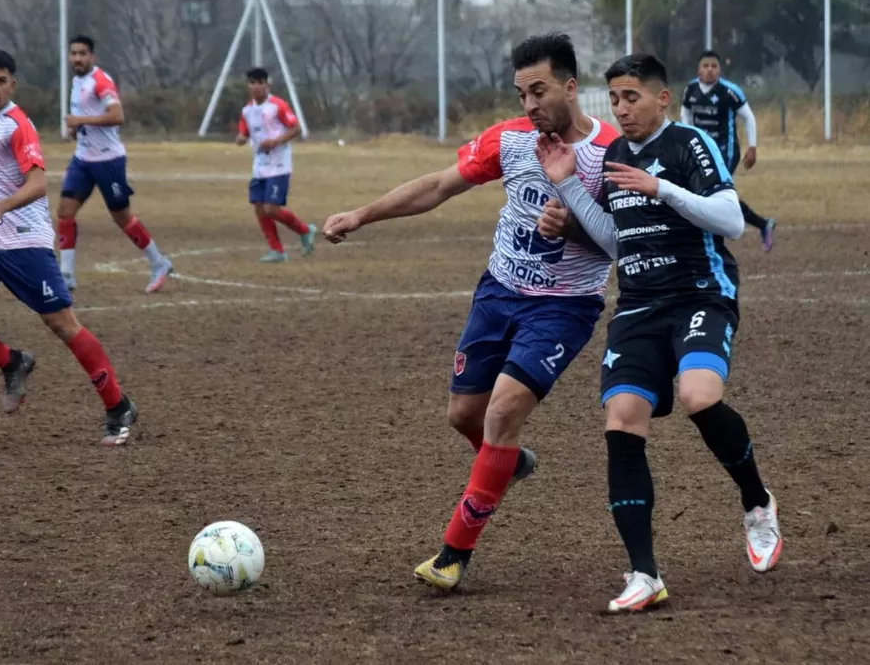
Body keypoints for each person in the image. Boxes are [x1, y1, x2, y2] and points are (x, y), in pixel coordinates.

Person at [323, 33, 618, 590]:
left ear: (572, 87)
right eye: (521, 93)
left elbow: (624, 243)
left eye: (540, 90)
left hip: (564, 306)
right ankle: (509, 462)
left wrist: (572, 224)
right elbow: (437, 186)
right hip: (499, 292)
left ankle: (452, 556)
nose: (530, 105)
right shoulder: (509, 140)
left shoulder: (611, 152)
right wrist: (362, 215)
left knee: (502, 412)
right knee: (465, 417)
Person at [537, 52, 782, 613]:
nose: (621, 110)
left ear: (661, 98)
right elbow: (617, 244)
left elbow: (730, 223)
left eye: (632, 98)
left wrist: (662, 189)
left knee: (698, 396)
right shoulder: (614, 156)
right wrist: (569, 189)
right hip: (640, 305)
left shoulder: (690, 144)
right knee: (621, 418)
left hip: (700, 294)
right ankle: (644, 574)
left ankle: (756, 501)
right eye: (615, 100)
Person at [0, 49, 138, 447]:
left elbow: (38, 183)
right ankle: (13, 362)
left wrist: (0, 207)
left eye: (0, 81)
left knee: (62, 325)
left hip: (24, 242)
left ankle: (118, 406)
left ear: (12, 84)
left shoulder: (17, 125)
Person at [57, 35, 174, 292]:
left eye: (82, 54)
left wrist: (80, 121)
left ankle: (159, 262)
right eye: (73, 53)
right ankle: (65, 274)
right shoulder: (76, 81)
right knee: (65, 212)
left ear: (92, 57)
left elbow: (117, 115)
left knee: (122, 218)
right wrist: (79, 130)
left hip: (108, 161)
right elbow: (85, 118)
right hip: (83, 159)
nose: (77, 58)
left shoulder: (101, 81)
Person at [681, 51, 775, 251]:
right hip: (701, 150)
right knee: (708, 192)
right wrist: (686, 139)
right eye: (705, 66)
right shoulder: (690, 89)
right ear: (699, 69)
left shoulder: (729, 91)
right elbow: (686, 113)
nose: (710, 70)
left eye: (714, 66)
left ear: (719, 69)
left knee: (713, 190)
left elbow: (748, 117)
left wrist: (752, 147)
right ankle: (762, 224)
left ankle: (713, 237)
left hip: (726, 150)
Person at [236, 67, 316, 263]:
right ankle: (277, 251)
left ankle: (305, 230)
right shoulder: (247, 110)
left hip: (279, 165)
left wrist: (276, 141)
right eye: (252, 83)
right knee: (259, 208)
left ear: (266, 84)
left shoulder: (277, 106)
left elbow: (296, 128)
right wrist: (240, 138)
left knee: (271, 209)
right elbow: (244, 133)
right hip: (259, 166)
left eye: (259, 82)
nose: (255, 87)